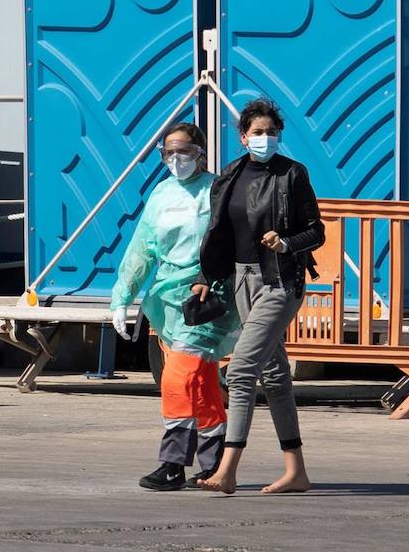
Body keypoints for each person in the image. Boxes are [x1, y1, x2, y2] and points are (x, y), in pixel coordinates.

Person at [191, 97, 324, 495]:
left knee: (241, 370)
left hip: (280, 281)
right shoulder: (230, 175)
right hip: (241, 280)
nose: (265, 138)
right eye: (258, 132)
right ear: (243, 136)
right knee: (275, 376)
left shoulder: (292, 174)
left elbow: (316, 231)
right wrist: (205, 275)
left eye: (272, 132)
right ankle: (296, 472)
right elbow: (218, 233)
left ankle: (227, 470)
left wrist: (285, 243)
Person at [110, 123, 240, 492]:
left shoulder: (216, 190)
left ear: (201, 153)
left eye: (184, 151)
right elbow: (143, 247)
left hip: (206, 297)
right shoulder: (161, 194)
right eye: (169, 152)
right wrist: (122, 297)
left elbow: (229, 242)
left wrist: (212, 277)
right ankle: (214, 463)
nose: (177, 159)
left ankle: (172, 463)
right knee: (201, 382)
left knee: (177, 378)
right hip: (168, 300)